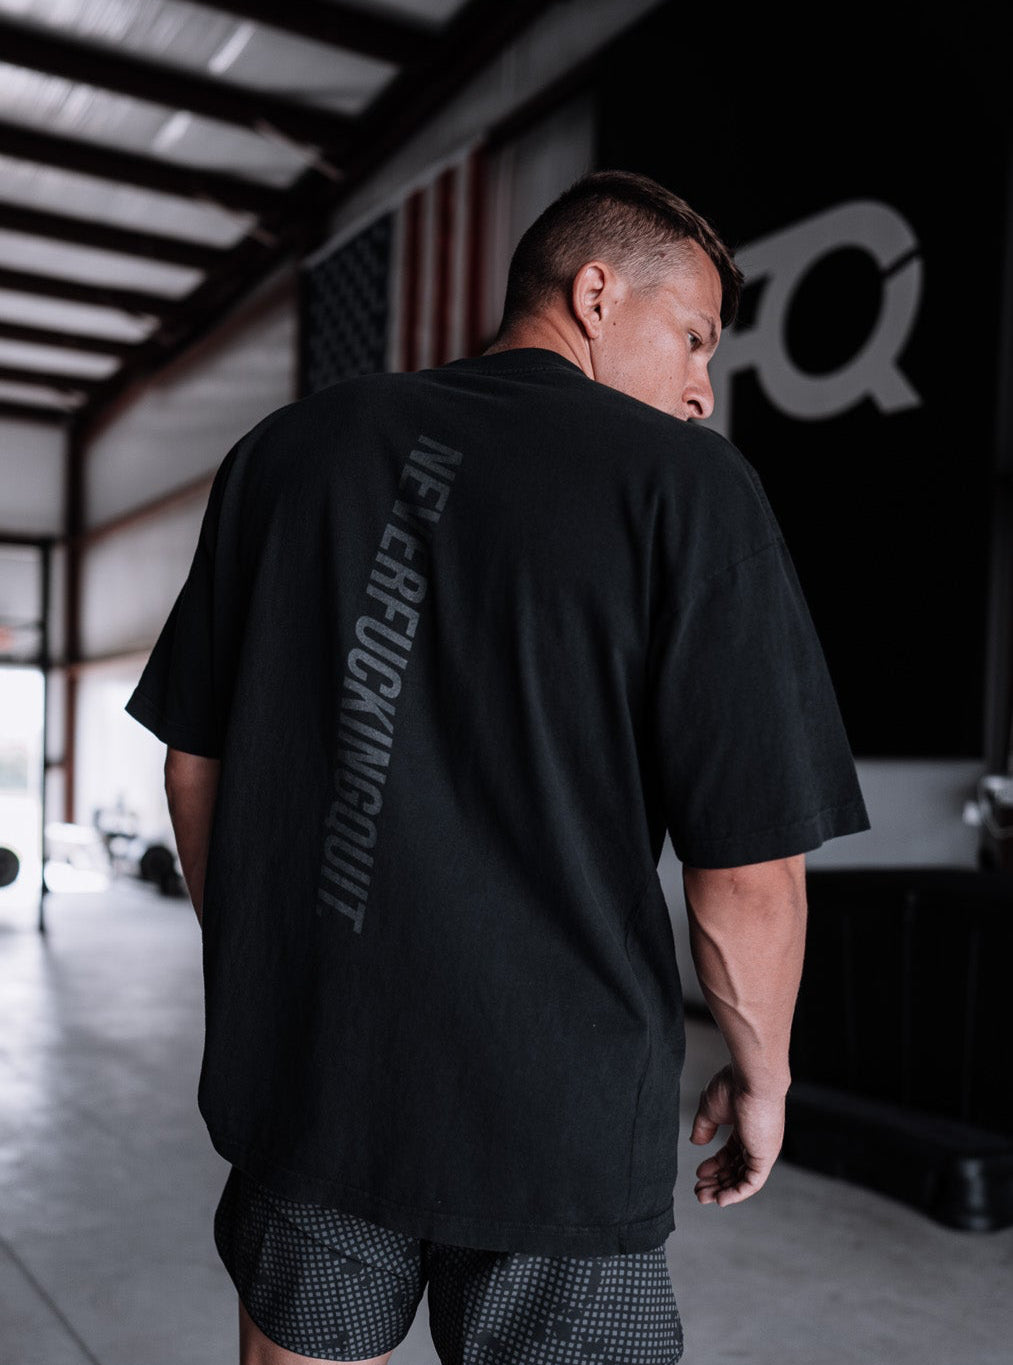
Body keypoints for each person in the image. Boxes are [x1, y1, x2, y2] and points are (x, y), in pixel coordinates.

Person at [125, 170, 871, 1365]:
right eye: (693, 337)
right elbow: (749, 872)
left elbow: (195, 765)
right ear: (595, 294)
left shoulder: (286, 454)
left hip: (317, 1085)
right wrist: (765, 1077)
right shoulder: (691, 490)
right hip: (556, 1120)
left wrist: (286, 972)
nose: (701, 388)